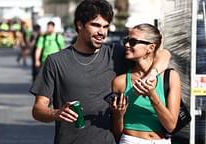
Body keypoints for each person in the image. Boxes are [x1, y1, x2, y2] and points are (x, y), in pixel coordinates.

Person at [30, 0, 171, 144]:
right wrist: (56, 113)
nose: (101, 32)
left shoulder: (116, 54)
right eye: (96, 25)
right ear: (80, 25)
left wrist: (152, 74)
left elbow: (164, 54)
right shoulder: (56, 61)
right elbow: (38, 109)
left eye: (105, 26)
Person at [111, 23, 181, 144]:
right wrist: (118, 115)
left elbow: (171, 126)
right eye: (126, 40)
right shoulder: (120, 82)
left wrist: (152, 95)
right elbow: (117, 134)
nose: (127, 45)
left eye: (133, 42)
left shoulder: (170, 77)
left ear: (150, 48)